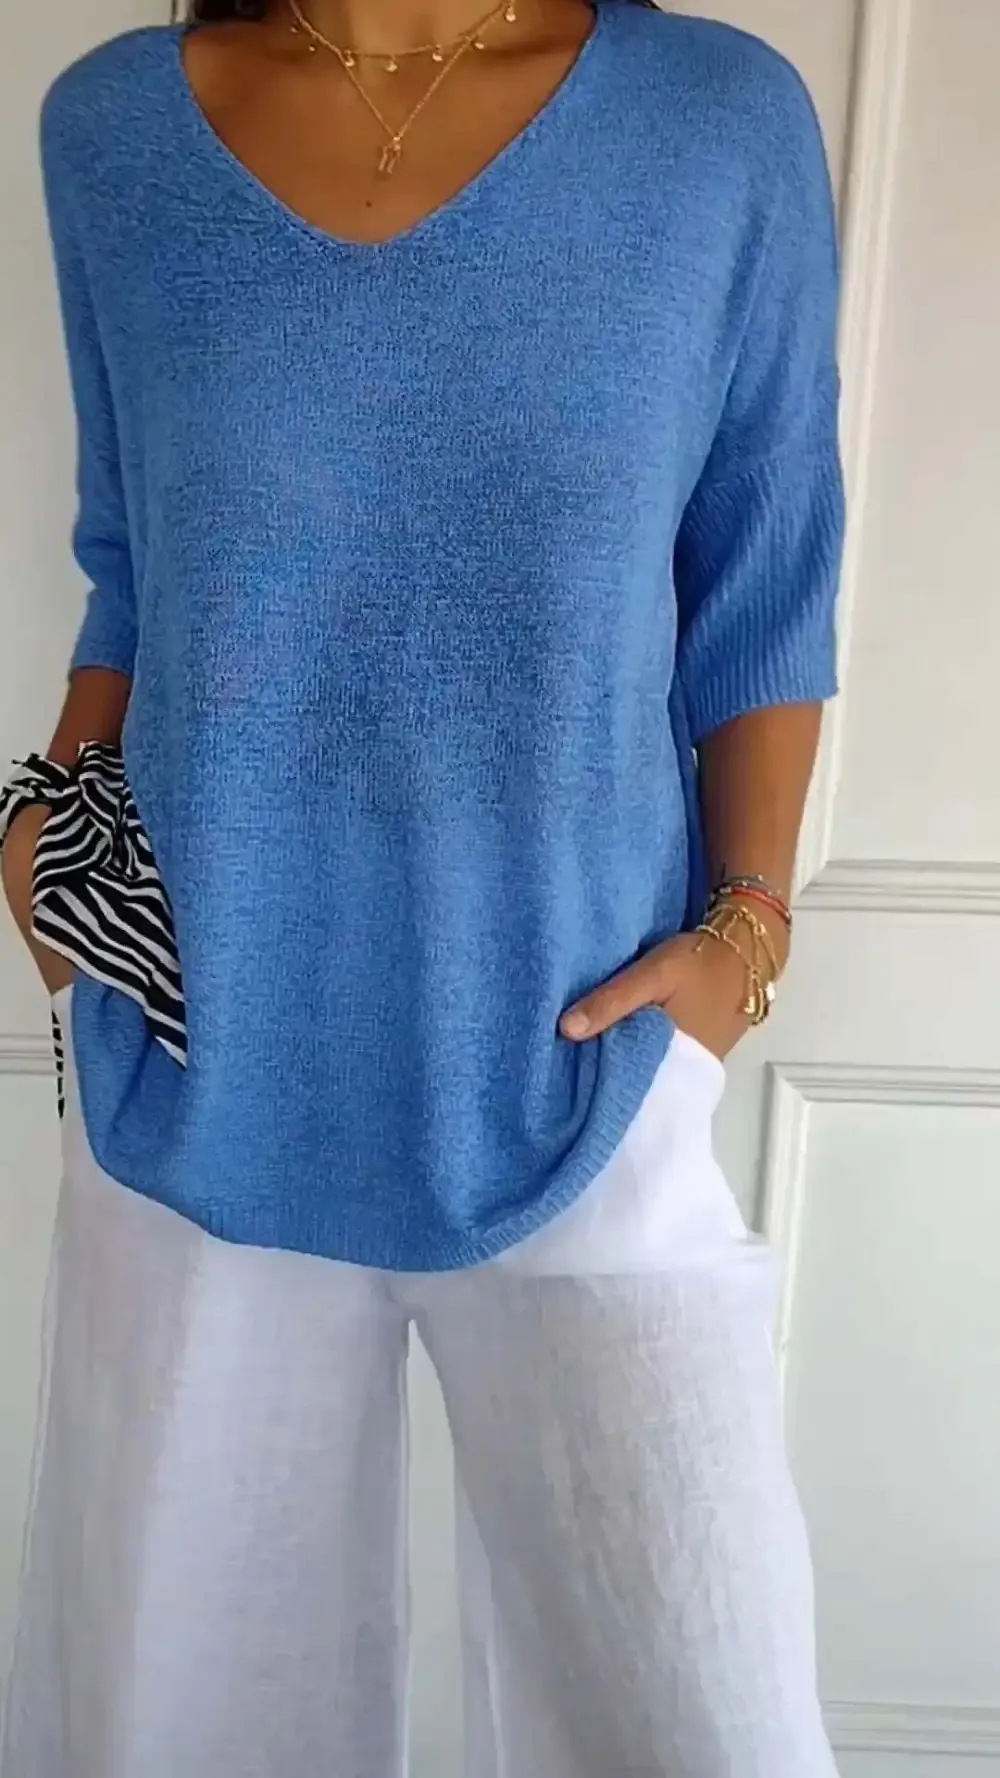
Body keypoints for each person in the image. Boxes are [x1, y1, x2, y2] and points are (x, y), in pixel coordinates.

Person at [0, 0, 845, 1772]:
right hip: (191, 1048)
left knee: (706, 1715)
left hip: (588, 1050)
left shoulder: (718, 124)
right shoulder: (114, 133)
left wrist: (748, 930)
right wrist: (44, 835)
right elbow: (133, 565)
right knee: (174, 1724)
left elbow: (764, 580)